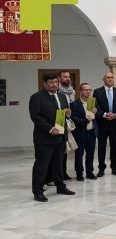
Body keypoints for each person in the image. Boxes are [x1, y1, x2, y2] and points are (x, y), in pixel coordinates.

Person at [29, 73, 75, 202]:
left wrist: (68, 114)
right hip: (45, 138)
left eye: (56, 82)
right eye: (51, 82)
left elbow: (64, 114)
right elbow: (36, 117)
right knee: (41, 165)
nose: (54, 84)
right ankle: (38, 191)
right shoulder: (36, 97)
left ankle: (60, 186)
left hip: (60, 137)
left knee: (59, 164)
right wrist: (50, 129)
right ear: (44, 84)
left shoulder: (62, 97)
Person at [93, 72, 116, 177]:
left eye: (112, 77)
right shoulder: (97, 92)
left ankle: (114, 168)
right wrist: (105, 114)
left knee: (114, 146)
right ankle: (101, 169)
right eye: (108, 77)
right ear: (104, 79)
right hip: (102, 123)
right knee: (101, 147)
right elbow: (95, 107)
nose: (110, 79)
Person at [70, 83, 97, 181]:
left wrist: (96, 112)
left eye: (90, 89)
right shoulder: (74, 104)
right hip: (80, 133)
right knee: (79, 154)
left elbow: (95, 117)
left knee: (90, 153)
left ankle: (90, 172)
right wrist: (85, 120)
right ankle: (79, 173)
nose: (88, 91)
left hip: (91, 132)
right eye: (86, 90)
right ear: (80, 91)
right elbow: (74, 118)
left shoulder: (92, 102)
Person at [58, 70, 75, 180]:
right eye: (65, 77)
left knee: (65, 150)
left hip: (69, 122)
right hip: (58, 121)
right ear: (59, 78)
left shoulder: (72, 91)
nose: (67, 78)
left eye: (68, 76)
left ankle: (64, 172)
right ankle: (56, 174)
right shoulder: (57, 91)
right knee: (58, 150)